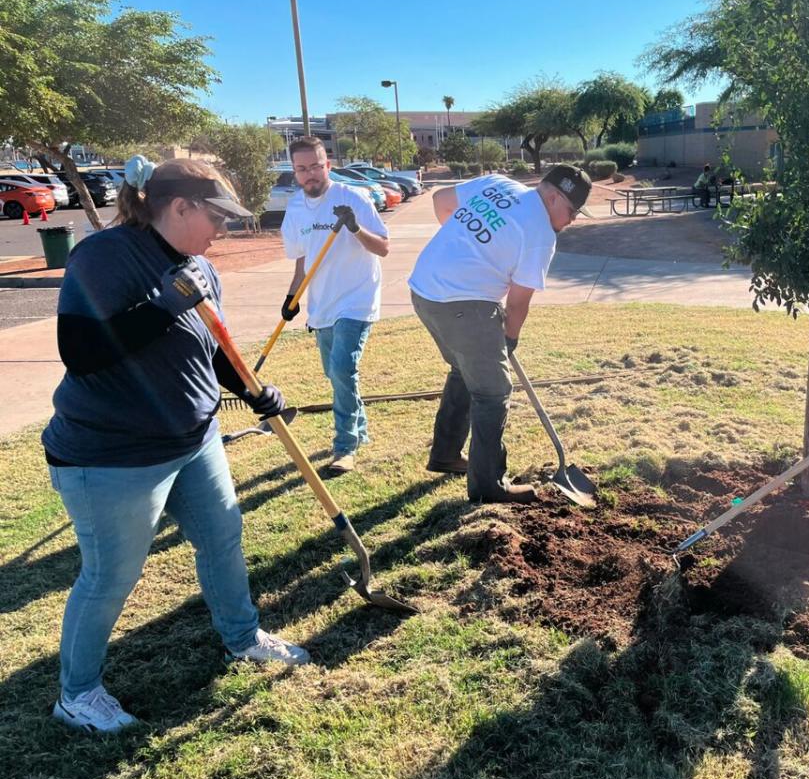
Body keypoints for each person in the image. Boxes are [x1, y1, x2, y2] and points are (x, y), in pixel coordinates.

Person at [42, 156, 310, 733]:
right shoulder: (103, 257)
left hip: (194, 438)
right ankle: (77, 694)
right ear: (179, 206)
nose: (224, 230)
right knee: (111, 575)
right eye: (217, 217)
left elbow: (212, 350)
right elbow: (81, 356)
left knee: (222, 538)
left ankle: (243, 637)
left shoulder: (198, 266)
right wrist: (161, 305)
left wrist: (253, 389)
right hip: (111, 455)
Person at [408, 165, 593, 503]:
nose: (572, 220)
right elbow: (518, 303)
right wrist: (509, 340)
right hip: (463, 305)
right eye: (572, 211)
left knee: (466, 371)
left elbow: (441, 200)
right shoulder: (540, 235)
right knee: (494, 391)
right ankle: (488, 487)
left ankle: (446, 454)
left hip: (424, 291)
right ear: (553, 197)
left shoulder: (498, 184)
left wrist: (470, 252)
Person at [280, 136, 390, 475]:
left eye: (315, 166)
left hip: (357, 300)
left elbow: (383, 247)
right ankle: (361, 430)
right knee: (335, 373)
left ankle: (345, 447)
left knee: (343, 369)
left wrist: (355, 227)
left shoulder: (352, 198)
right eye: (302, 169)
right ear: (295, 172)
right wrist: (292, 297)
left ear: (327, 164)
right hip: (322, 304)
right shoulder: (296, 208)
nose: (310, 174)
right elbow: (302, 260)